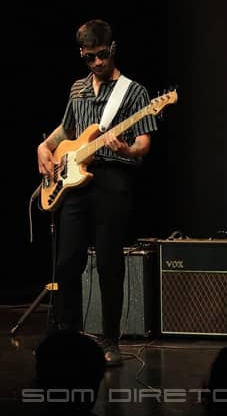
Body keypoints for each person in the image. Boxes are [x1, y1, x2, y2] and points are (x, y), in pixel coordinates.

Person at [36, 19, 157, 367]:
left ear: (113, 48)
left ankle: (110, 341)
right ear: (82, 54)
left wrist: (126, 149)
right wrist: (43, 147)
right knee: (67, 262)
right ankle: (69, 336)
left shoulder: (134, 92)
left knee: (108, 263)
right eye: (90, 57)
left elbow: (144, 143)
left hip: (112, 180)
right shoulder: (78, 88)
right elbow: (66, 131)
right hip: (75, 181)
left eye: (102, 55)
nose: (98, 62)